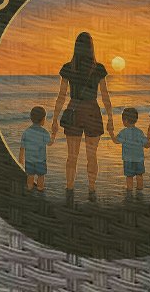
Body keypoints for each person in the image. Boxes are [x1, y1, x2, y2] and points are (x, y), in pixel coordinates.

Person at [48, 31, 113, 202]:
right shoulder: (98, 68)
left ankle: (69, 189)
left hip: (74, 111)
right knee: (92, 156)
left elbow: (61, 95)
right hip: (92, 111)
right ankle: (91, 190)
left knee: (72, 156)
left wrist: (55, 118)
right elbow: (105, 95)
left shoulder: (69, 67)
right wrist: (111, 118)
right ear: (91, 48)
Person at [116, 107, 147, 200]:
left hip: (128, 159)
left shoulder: (123, 132)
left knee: (129, 176)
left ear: (125, 120)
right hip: (139, 159)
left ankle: (129, 191)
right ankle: (140, 190)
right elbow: (146, 144)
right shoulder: (140, 132)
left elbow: (116, 141)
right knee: (139, 175)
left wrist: (110, 132)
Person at [20, 106, 50, 193]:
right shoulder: (44, 132)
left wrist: (20, 159)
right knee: (41, 176)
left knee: (30, 175)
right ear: (43, 119)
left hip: (29, 160)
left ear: (31, 118)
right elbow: (49, 143)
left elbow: (22, 147)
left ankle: (29, 189)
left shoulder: (26, 132)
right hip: (41, 160)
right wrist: (54, 134)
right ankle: (40, 189)